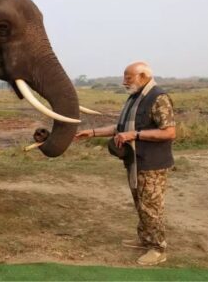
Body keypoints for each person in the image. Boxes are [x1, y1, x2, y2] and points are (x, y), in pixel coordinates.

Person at [74, 61, 176, 266]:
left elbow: (169, 132)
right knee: (141, 204)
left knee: (151, 207)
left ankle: (158, 249)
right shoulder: (135, 98)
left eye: (128, 77)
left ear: (143, 76)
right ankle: (145, 239)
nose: (124, 82)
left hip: (152, 164)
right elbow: (120, 127)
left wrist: (135, 134)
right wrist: (92, 133)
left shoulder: (159, 98)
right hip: (135, 161)